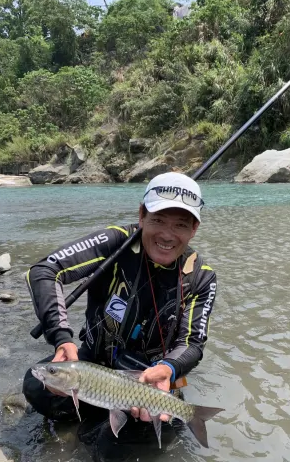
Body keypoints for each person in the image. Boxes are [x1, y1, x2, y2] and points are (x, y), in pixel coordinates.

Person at [22, 172, 218, 459]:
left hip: (151, 383)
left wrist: (168, 370)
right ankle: (90, 413)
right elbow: (44, 271)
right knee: (36, 386)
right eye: (158, 220)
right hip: (94, 364)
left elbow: (193, 343)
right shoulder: (116, 242)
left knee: (118, 450)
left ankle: (112, 426)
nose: (167, 234)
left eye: (180, 225)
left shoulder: (202, 277)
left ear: (194, 229)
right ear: (141, 215)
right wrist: (61, 338)